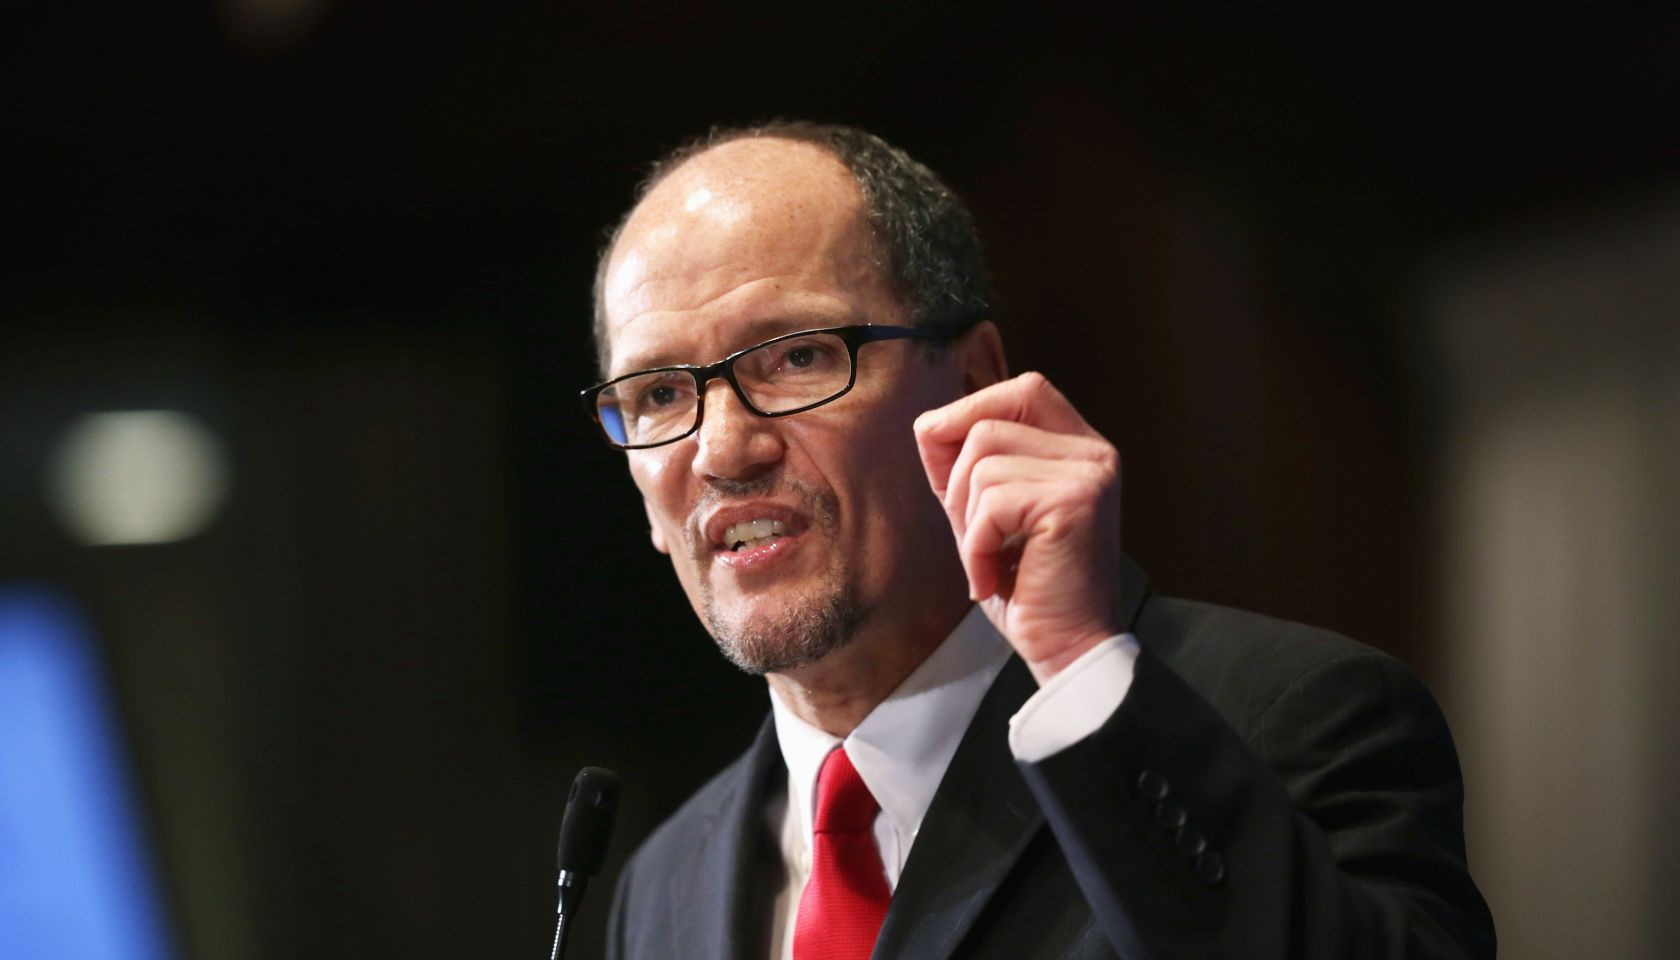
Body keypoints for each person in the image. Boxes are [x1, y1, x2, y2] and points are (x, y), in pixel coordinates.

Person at [583, 121, 1494, 960]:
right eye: (658, 394)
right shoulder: (660, 888)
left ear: (972, 382)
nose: (723, 450)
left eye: (798, 356)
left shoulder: (1296, 719)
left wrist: (1082, 675)